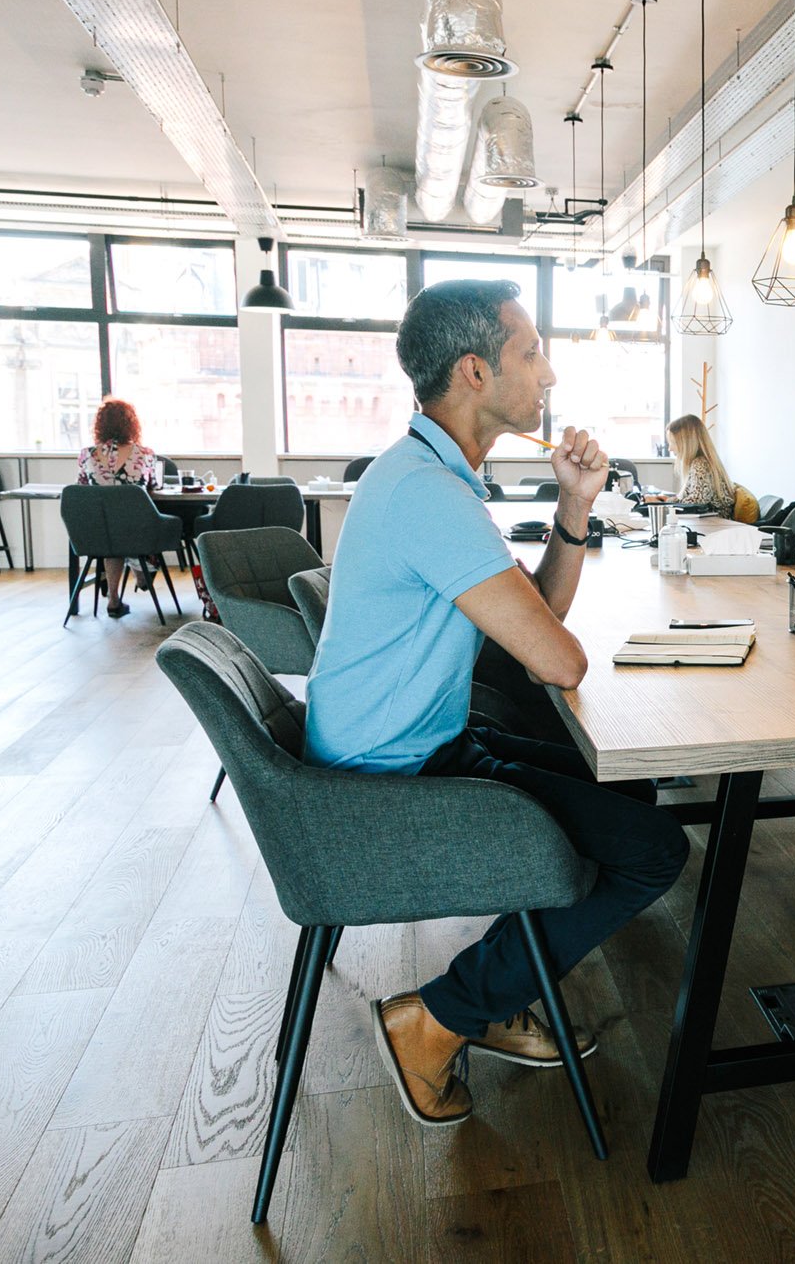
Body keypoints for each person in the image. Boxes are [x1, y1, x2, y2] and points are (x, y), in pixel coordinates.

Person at [303, 279, 687, 1129]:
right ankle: (442, 1016)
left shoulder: (428, 477)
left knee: (627, 790)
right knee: (655, 850)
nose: (548, 374)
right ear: (475, 371)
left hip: (414, 744)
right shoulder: (428, 495)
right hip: (387, 781)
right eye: (531, 352)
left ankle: (501, 988)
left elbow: (538, 620)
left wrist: (574, 505)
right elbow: (558, 657)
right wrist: (553, 623)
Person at [76, 396, 161, 618]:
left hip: (99, 531)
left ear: (99, 425)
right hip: (136, 528)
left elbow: (81, 489)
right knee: (138, 530)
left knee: (112, 540)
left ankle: (113, 599)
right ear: (131, 424)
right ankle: (141, 573)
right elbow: (152, 486)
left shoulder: (87, 455)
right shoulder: (145, 454)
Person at [666, 413, 737, 515]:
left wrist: (665, 504)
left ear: (687, 443)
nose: (670, 448)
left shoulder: (700, 464)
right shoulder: (702, 462)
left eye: (673, 443)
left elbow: (696, 503)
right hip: (713, 521)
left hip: (714, 522)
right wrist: (667, 500)